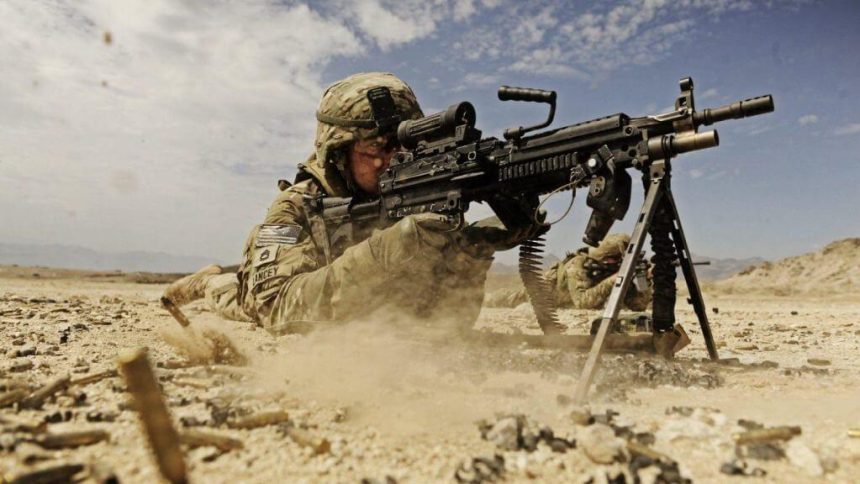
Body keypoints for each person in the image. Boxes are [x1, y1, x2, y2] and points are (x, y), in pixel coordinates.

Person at [162, 72, 538, 334]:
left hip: (364, 311)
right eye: (377, 148)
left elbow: (445, 320)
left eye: (405, 147)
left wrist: (472, 251)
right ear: (337, 151)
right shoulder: (295, 208)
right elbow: (274, 309)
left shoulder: (413, 193)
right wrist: (389, 248)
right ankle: (209, 279)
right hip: (257, 292)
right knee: (230, 296)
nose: (393, 160)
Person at [484, 233, 652, 310]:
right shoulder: (578, 265)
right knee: (498, 299)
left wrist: (645, 281)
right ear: (609, 259)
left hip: (560, 303)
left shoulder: (611, 269)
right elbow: (582, 303)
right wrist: (614, 280)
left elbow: (638, 306)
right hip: (541, 294)